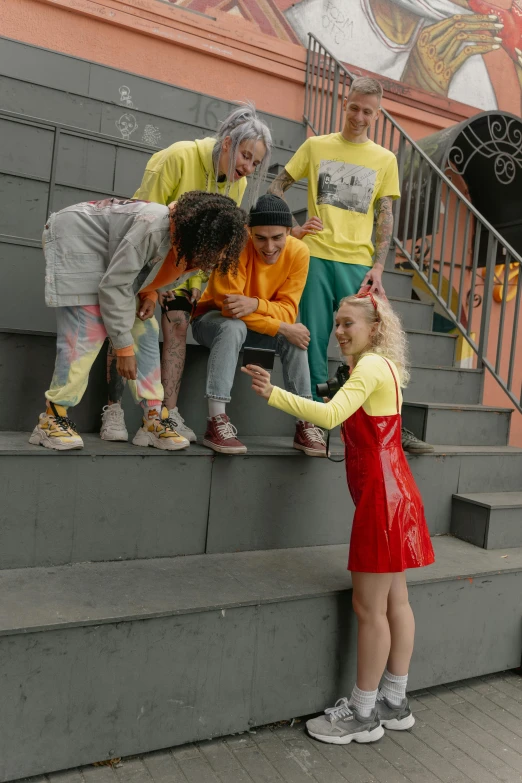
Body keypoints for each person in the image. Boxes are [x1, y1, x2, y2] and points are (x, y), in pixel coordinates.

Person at [242, 290, 435, 743]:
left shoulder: (368, 367)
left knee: (369, 609)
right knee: (395, 603)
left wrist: (273, 393)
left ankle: (363, 713)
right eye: (337, 323)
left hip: (382, 500)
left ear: (375, 328)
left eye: (350, 323)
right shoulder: (382, 365)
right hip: (396, 492)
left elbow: (330, 415)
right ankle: (394, 700)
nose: (340, 331)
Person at [269, 75, 434, 455]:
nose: (359, 116)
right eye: (354, 107)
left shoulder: (384, 159)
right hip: (314, 256)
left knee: (372, 345)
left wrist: (378, 266)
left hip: (358, 264)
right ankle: (309, 424)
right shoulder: (316, 146)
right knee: (311, 340)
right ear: (345, 103)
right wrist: (291, 229)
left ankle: (384, 424)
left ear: (377, 115)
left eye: (368, 112)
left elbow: (386, 214)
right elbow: (277, 186)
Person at [101, 103, 273, 445]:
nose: (248, 168)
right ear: (226, 143)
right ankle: (113, 407)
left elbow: (214, 240)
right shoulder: (178, 157)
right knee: (128, 314)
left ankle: (166, 412)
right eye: (246, 156)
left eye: (256, 163)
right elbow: (143, 219)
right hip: (142, 258)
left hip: (182, 270)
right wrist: (153, 283)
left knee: (179, 321)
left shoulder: (235, 185)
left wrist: (194, 282)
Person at [30, 193, 247, 452]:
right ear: (203, 234)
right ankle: (52, 417)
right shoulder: (154, 228)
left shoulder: (189, 244)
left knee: (145, 329)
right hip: (74, 237)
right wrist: (123, 348)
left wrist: (149, 294)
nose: (222, 256)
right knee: (87, 325)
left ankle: (153, 419)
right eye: (219, 247)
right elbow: (114, 285)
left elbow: (143, 270)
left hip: (108, 257)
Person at [192, 194, 326, 456]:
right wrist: (280, 325)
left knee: (296, 336)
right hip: (211, 323)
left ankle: (305, 421)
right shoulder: (236, 245)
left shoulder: (299, 252)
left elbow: (287, 312)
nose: (269, 247)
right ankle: (215, 422)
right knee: (235, 327)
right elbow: (230, 307)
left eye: (277, 237)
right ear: (249, 232)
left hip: (254, 331)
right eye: (260, 238)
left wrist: (255, 304)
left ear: (290, 231)